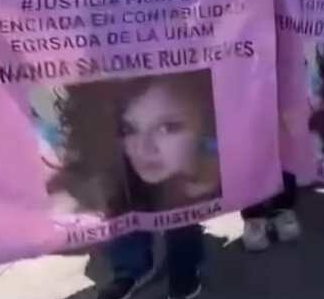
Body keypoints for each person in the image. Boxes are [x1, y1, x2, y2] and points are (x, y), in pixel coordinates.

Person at [51, 0, 207, 299]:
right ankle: (130, 266)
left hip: (161, 95)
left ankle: (185, 260)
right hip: (98, 95)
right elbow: (50, 24)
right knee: (115, 187)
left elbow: (201, 24)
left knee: (173, 180)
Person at [199, 0, 302, 251]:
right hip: (236, 64)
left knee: (283, 133)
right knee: (245, 138)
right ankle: (253, 213)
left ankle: (284, 206)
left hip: (281, 59)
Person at [52, 71, 220, 215]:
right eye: (128, 129)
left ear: (206, 124)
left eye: (166, 128)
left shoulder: (232, 186)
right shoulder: (108, 195)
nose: (143, 148)